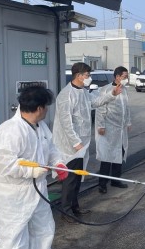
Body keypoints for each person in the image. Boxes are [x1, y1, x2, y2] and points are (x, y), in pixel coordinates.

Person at [0, 85, 69, 249]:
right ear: (40, 108)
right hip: (14, 193)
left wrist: (58, 163)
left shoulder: (40, 127)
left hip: (38, 189)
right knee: (13, 237)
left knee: (43, 227)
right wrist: (32, 171)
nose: (47, 110)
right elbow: (6, 165)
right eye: (47, 106)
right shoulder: (9, 131)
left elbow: (50, 148)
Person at [52, 62, 122, 222]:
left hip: (81, 144)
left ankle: (75, 207)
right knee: (70, 179)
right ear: (79, 76)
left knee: (78, 177)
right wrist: (76, 143)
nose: (89, 78)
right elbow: (66, 122)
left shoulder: (82, 92)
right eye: (87, 75)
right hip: (70, 146)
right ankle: (66, 212)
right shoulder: (66, 95)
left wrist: (112, 94)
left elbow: (95, 102)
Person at [95, 66, 132, 194]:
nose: (126, 79)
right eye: (124, 76)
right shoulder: (106, 89)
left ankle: (115, 180)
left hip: (120, 129)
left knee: (119, 153)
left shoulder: (125, 90)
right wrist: (101, 125)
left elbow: (126, 108)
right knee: (107, 155)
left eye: (126, 77)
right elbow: (100, 108)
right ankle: (102, 183)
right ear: (117, 77)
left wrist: (128, 121)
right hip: (109, 128)